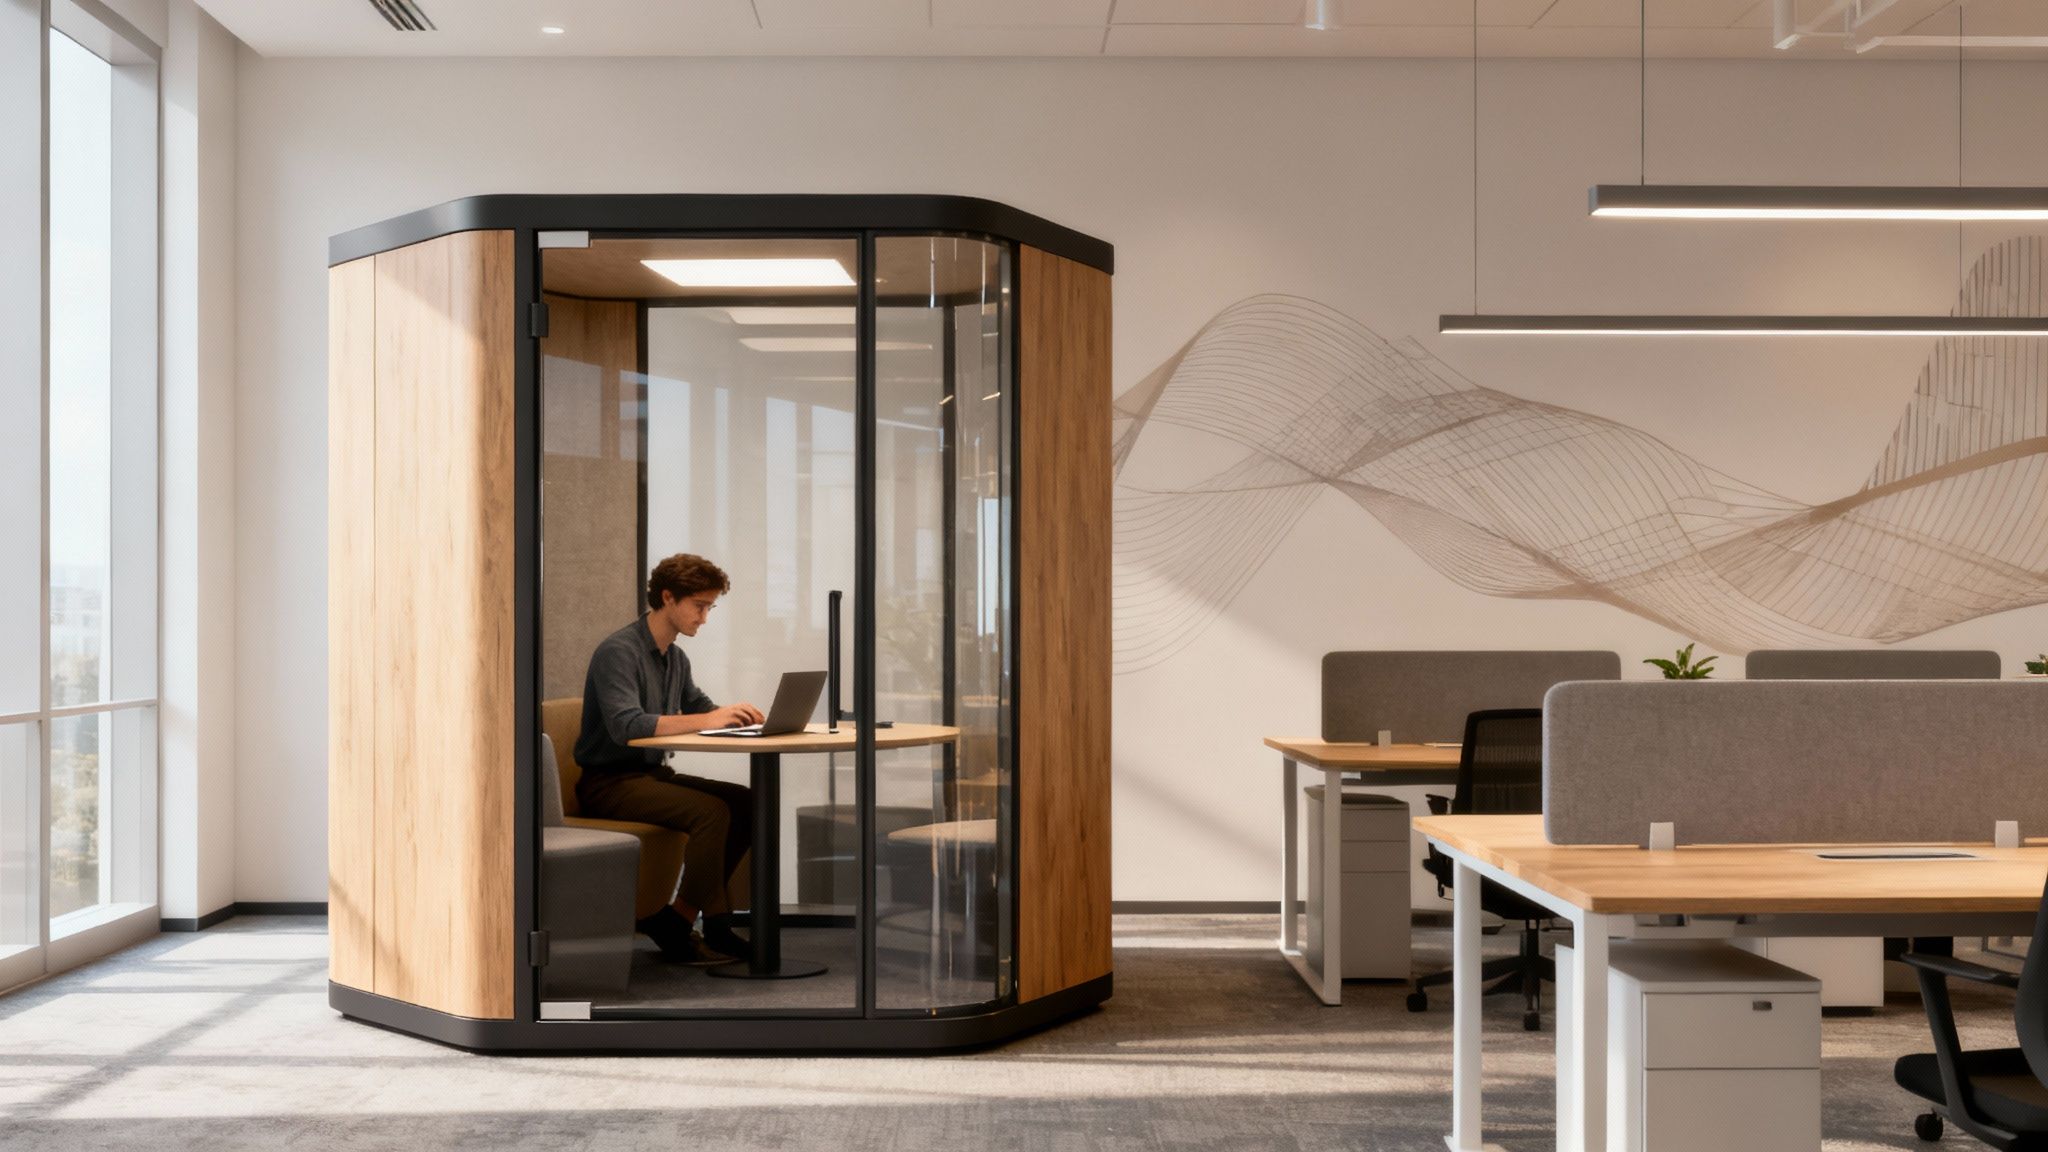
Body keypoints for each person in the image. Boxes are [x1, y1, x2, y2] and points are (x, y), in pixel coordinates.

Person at [576, 553, 765, 965]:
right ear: (667, 597)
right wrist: (710, 718)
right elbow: (626, 726)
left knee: (747, 802)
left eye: (710, 607)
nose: (705, 618)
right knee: (712, 812)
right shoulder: (618, 652)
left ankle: (703, 923)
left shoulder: (675, 658)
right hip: (609, 784)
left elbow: (700, 708)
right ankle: (684, 922)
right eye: (699, 606)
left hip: (651, 776)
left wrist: (738, 717)